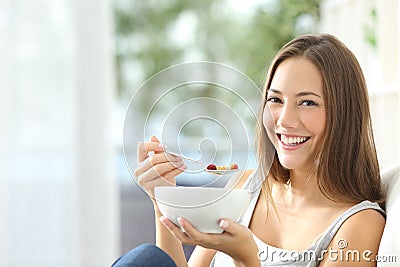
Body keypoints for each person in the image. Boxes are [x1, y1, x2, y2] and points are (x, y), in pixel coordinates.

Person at [112, 34, 386, 267]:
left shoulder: (359, 224)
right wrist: (164, 199)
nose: (284, 119)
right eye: (275, 99)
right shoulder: (246, 186)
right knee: (149, 259)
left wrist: (247, 258)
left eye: (307, 103)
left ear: (345, 114)